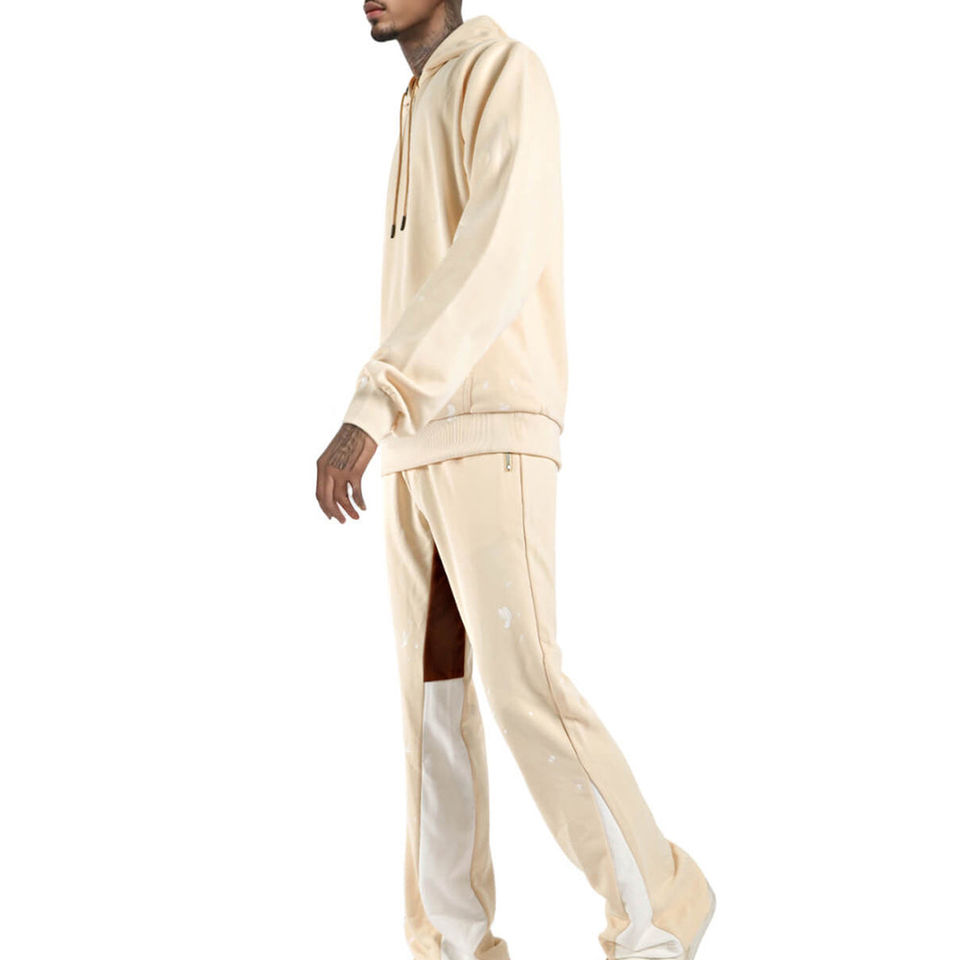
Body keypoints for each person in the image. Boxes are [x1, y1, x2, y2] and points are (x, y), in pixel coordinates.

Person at [315, 4, 716, 958]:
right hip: (414, 443)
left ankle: (661, 909)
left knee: (523, 682)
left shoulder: (506, 74)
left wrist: (376, 399)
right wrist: (391, 415)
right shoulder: (417, 102)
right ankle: (454, 944)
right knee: (433, 707)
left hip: (490, 429)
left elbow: (496, 254)